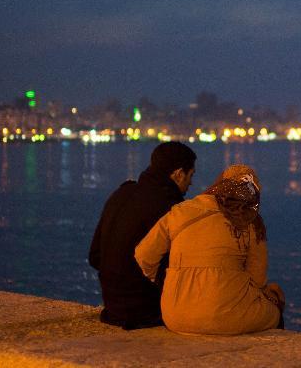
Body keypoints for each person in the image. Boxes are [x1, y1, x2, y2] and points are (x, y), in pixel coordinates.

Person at [134, 164, 285, 335]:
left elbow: (143, 255)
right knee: (275, 306)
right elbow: (258, 280)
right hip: (227, 318)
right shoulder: (249, 221)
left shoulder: (181, 211)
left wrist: (173, 280)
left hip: (175, 317)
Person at [88, 141, 197, 329]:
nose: (191, 183)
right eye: (190, 176)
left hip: (112, 308)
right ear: (178, 174)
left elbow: (95, 257)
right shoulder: (172, 209)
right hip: (146, 312)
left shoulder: (121, 194)